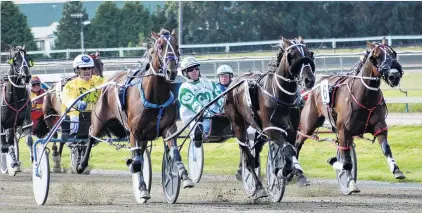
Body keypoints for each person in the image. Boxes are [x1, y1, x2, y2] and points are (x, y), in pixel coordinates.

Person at [178, 56, 222, 147]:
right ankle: (197, 136)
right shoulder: (184, 89)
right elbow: (196, 107)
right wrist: (211, 115)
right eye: (190, 69)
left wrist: (225, 110)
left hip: (213, 116)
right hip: (195, 118)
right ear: (184, 73)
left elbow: (221, 98)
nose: (195, 71)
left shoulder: (209, 83)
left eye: (196, 68)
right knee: (200, 126)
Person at [61, 54, 104, 137]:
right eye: (84, 68)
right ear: (77, 70)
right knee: (73, 120)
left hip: (95, 116)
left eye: (90, 68)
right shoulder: (71, 85)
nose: (87, 71)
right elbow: (67, 98)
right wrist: (76, 104)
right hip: (77, 117)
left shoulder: (100, 81)